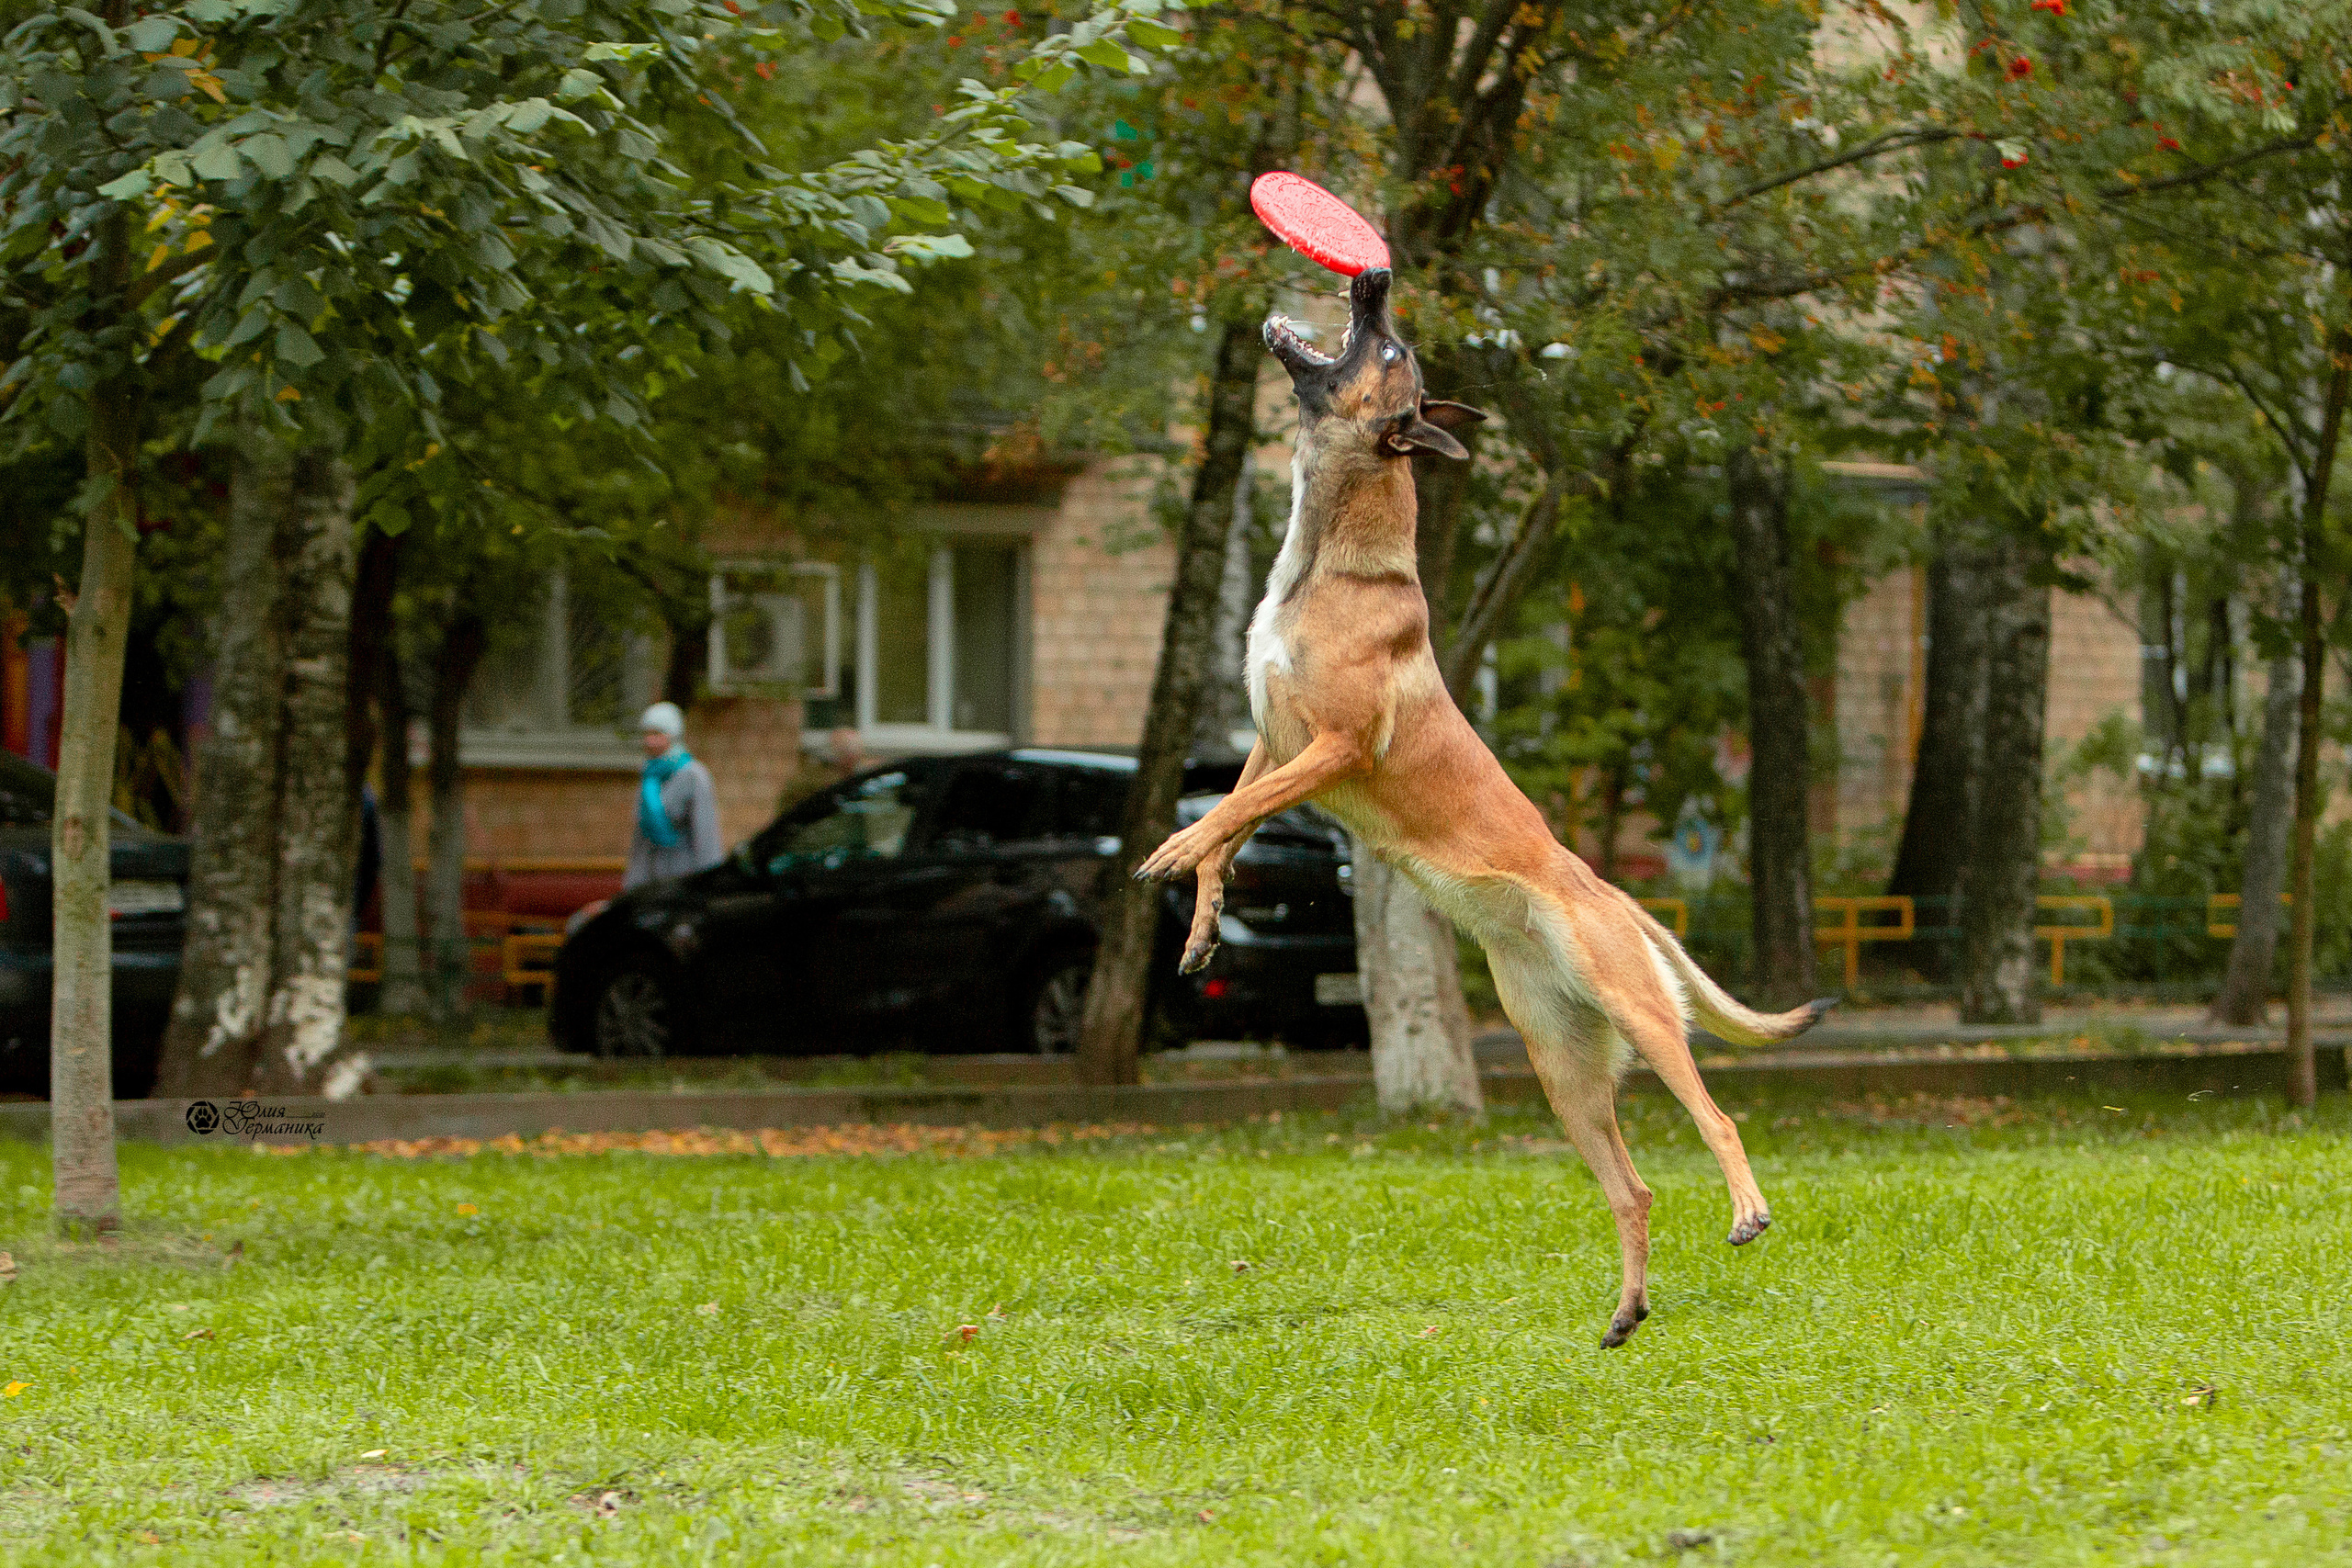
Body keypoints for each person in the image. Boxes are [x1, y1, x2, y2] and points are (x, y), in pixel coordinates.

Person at [624, 702, 723, 890]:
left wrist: (709, 886)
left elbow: (706, 836)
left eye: (656, 734)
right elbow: (641, 838)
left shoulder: (693, 775)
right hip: (648, 879)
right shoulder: (649, 776)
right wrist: (631, 885)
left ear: (673, 735)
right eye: (646, 734)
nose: (649, 741)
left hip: (683, 878)